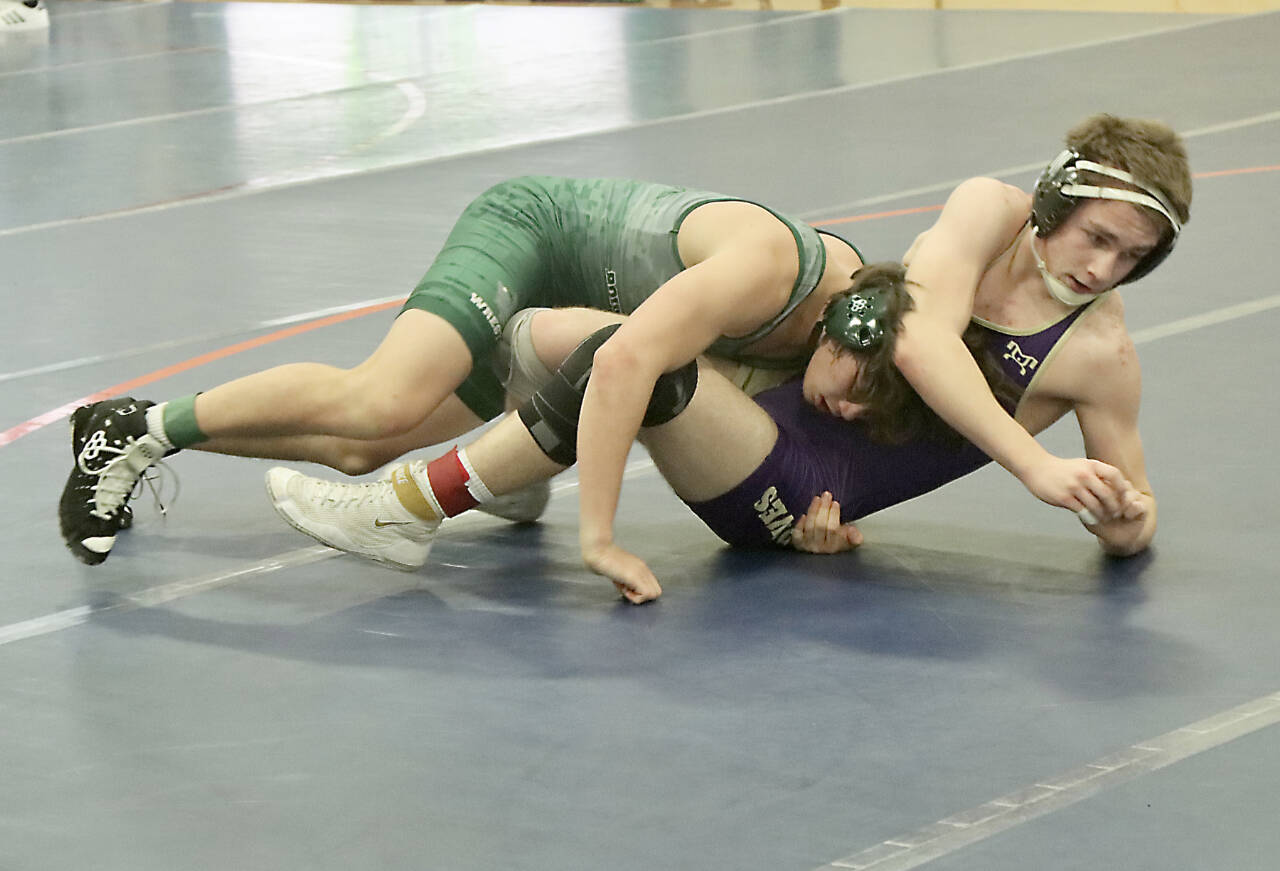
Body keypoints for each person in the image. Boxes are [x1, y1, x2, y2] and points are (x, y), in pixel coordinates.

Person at [261, 113, 1192, 601]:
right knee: (557, 338)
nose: (1099, 267)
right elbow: (917, 336)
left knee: (638, 365)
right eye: (1096, 237)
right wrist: (1034, 465)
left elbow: (1129, 521)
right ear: (1052, 200)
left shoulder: (1098, 355)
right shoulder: (987, 212)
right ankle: (515, 471)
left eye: (1130, 259)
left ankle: (408, 504)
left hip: (791, 485)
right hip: (780, 407)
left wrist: (1116, 513)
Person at [58, 176, 871, 564]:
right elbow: (625, 364)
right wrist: (600, 536)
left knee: (356, 453)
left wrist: (814, 521)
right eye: (855, 392)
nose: (845, 410)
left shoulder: (841, 340)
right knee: (380, 403)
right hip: (533, 236)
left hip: (562, 313)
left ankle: (130, 429)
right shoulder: (770, 270)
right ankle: (137, 429)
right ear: (842, 330)